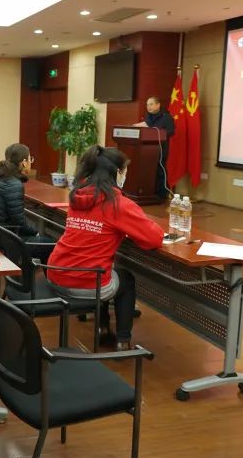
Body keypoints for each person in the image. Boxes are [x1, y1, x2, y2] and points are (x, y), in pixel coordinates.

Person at [46, 145, 164, 350]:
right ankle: (123, 340)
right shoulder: (118, 203)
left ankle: (102, 328)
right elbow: (154, 239)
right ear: (116, 173)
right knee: (125, 279)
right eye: (124, 171)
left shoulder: (77, 196)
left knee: (102, 268)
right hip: (85, 283)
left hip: (55, 273)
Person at [0, 143, 55, 261]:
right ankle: (33, 272)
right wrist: (35, 233)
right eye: (30, 159)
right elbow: (19, 221)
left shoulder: (1, 178)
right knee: (53, 245)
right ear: (24, 162)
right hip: (7, 240)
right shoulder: (14, 184)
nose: (31, 162)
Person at [133, 96, 175, 200]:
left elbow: (171, 131)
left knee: (160, 170)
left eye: (151, 104)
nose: (148, 107)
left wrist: (156, 132)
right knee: (148, 170)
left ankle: (162, 193)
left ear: (158, 105)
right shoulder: (148, 116)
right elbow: (147, 127)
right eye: (147, 104)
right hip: (147, 149)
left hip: (161, 148)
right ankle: (149, 192)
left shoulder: (166, 117)